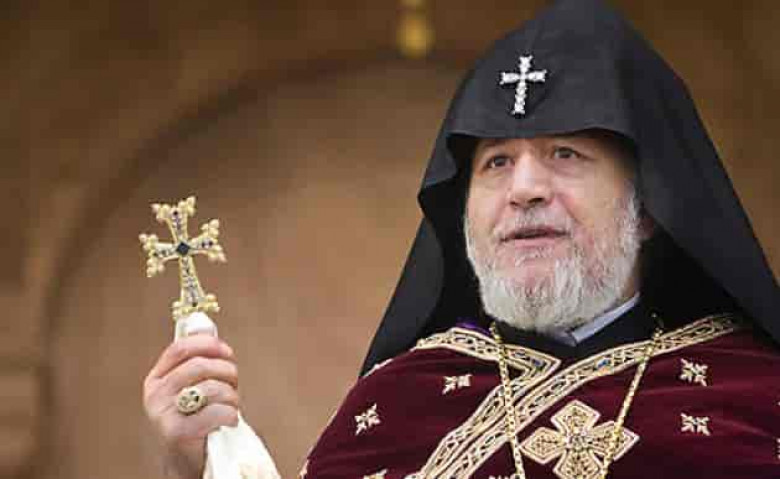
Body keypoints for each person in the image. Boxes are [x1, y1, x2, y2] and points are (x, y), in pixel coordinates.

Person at [143, 0, 780, 478]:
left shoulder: (756, 400)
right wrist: (199, 460)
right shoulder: (395, 406)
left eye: (565, 154)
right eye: (496, 162)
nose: (523, 189)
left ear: (647, 211)